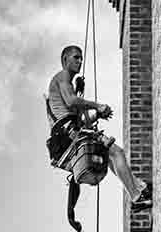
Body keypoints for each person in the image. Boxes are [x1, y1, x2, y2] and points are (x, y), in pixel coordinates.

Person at [47, 45, 152, 210]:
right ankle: (136, 195)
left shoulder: (66, 85)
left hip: (66, 135)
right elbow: (71, 101)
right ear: (65, 60)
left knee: (110, 156)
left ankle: (139, 188)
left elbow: (80, 119)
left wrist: (97, 114)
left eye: (81, 58)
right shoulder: (63, 76)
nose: (80, 61)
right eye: (76, 57)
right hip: (67, 133)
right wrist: (97, 105)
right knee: (117, 152)